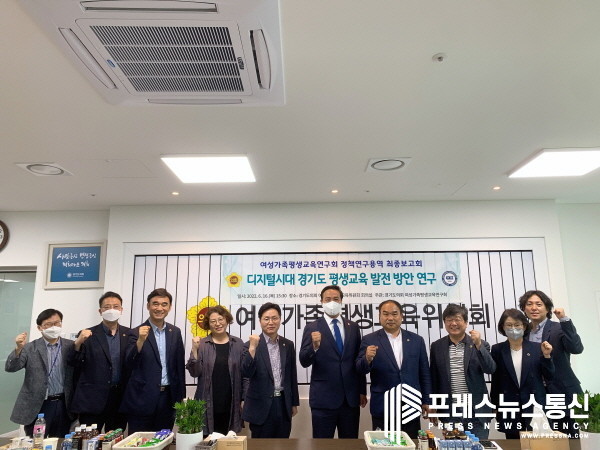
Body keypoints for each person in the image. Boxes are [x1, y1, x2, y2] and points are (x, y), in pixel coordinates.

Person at [356, 300, 432, 439]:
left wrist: (426, 400)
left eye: (394, 314)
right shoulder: (369, 340)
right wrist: (367, 358)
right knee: (383, 445)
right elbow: (359, 370)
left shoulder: (416, 340)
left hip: (410, 405)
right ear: (379, 317)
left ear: (402, 316)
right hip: (383, 406)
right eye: (385, 314)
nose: (390, 318)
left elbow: (424, 373)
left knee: (411, 444)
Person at [299, 285, 367, 438]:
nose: (332, 302)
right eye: (328, 299)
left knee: (349, 444)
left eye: (336, 299)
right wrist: (314, 347)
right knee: (322, 445)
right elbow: (303, 361)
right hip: (323, 400)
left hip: (350, 399)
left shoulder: (353, 327)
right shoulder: (312, 327)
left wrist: (362, 390)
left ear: (341, 301)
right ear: (322, 302)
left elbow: (359, 360)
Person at [519, 290, 584, 438]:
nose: (534, 308)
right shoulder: (523, 333)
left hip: (561, 391)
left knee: (569, 438)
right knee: (541, 440)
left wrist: (564, 320)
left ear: (547, 308)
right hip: (536, 394)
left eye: (538, 304)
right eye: (529, 304)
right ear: (524, 308)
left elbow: (576, 348)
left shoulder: (559, 327)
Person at [120, 288, 186, 433]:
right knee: (140, 441)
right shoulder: (135, 332)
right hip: (141, 399)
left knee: (164, 439)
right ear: (148, 306)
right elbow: (128, 363)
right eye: (155, 304)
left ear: (170, 307)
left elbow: (179, 366)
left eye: (164, 304)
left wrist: (181, 397)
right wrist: (140, 341)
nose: (159, 308)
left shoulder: (175, 332)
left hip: (168, 398)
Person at [68, 291, 135, 432]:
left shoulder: (129, 334)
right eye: (107, 307)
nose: (111, 310)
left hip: (119, 399)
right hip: (92, 400)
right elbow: (73, 362)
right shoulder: (88, 334)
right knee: (89, 440)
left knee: (115, 439)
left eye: (116, 306)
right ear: (100, 311)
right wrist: (78, 342)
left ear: (121, 310)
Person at [429, 304, 496, 438]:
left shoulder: (480, 344)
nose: (453, 323)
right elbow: (434, 378)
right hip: (450, 412)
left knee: (478, 446)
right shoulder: (437, 346)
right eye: (449, 320)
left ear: (466, 323)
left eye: (457, 319)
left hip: (476, 411)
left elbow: (490, 369)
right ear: (444, 323)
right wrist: (433, 405)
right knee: (453, 446)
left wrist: (478, 345)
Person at [5, 309, 74, 437]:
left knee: (61, 442)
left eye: (57, 323)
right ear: (39, 327)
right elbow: (11, 367)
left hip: (63, 405)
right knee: (36, 442)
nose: (53, 327)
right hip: (38, 406)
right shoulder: (30, 348)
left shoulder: (71, 346)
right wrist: (18, 348)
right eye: (48, 324)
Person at [490, 308, 554, 439]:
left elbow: (549, 375)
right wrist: (495, 405)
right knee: (513, 443)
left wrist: (547, 356)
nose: (513, 328)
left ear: (524, 326)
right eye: (509, 325)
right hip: (509, 405)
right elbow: (496, 380)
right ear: (503, 327)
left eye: (517, 324)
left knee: (537, 443)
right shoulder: (497, 349)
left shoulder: (537, 347)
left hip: (534, 404)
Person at [241, 302, 299, 438]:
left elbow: (292, 375)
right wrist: (252, 348)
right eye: (266, 319)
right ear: (260, 321)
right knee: (261, 445)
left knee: (283, 444)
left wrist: (294, 403)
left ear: (280, 319)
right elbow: (246, 372)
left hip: (283, 403)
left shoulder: (288, 344)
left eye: (274, 318)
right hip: (260, 406)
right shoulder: (250, 345)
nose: (271, 322)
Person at [186, 305, 246, 434]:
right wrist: (195, 349)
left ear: (227, 320)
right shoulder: (202, 344)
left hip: (232, 401)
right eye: (213, 321)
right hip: (207, 401)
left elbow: (245, 374)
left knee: (228, 439)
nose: (217, 324)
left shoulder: (238, 343)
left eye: (220, 319)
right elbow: (195, 373)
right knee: (207, 439)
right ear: (208, 324)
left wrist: (244, 399)